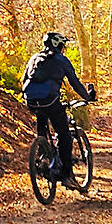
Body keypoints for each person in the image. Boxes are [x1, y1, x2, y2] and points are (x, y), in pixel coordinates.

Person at [20, 31, 95, 180]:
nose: (63, 48)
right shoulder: (61, 60)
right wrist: (88, 97)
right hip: (50, 100)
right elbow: (74, 83)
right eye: (62, 45)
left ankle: (43, 154)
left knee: (42, 125)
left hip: (31, 100)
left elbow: (24, 79)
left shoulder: (34, 58)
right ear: (58, 45)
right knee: (64, 135)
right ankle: (66, 174)